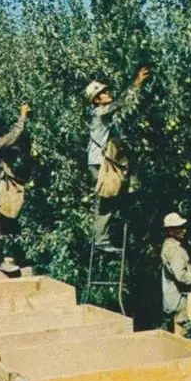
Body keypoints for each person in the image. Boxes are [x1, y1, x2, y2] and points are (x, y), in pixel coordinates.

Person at [85, 67, 150, 253]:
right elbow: (121, 103)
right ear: (96, 100)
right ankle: (100, 239)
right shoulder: (99, 112)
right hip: (99, 162)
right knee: (106, 200)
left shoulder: (101, 114)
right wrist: (136, 84)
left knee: (115, 195)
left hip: (102, 161)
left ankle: (111, 231)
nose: (107, 93)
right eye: (103, 93)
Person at [0, 104, 29, 273]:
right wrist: (22, 117)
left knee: (11, 222)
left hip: (1, 186)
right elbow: (12, 137)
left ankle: (18, 256)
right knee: (1, 224)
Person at [160, 212, 191, 335]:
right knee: (182, 335)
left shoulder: (169, 246)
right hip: (180, 298)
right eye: (179, 228)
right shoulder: (175, 250)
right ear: (170, 231)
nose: (184, 230)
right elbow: (180, 275)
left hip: (173, 297)